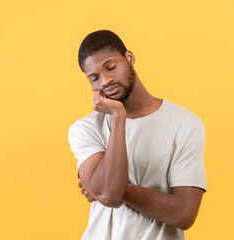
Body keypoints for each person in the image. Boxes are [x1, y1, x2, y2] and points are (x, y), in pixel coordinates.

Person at [68, 30, 207, 240]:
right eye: (94, 78)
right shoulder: (85, 129)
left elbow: (183, 214)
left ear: (129, 58)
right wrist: (118, 116)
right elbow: (108, 195)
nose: (104, 81)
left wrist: (110, 187)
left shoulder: (185, 124)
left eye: (111, 67)